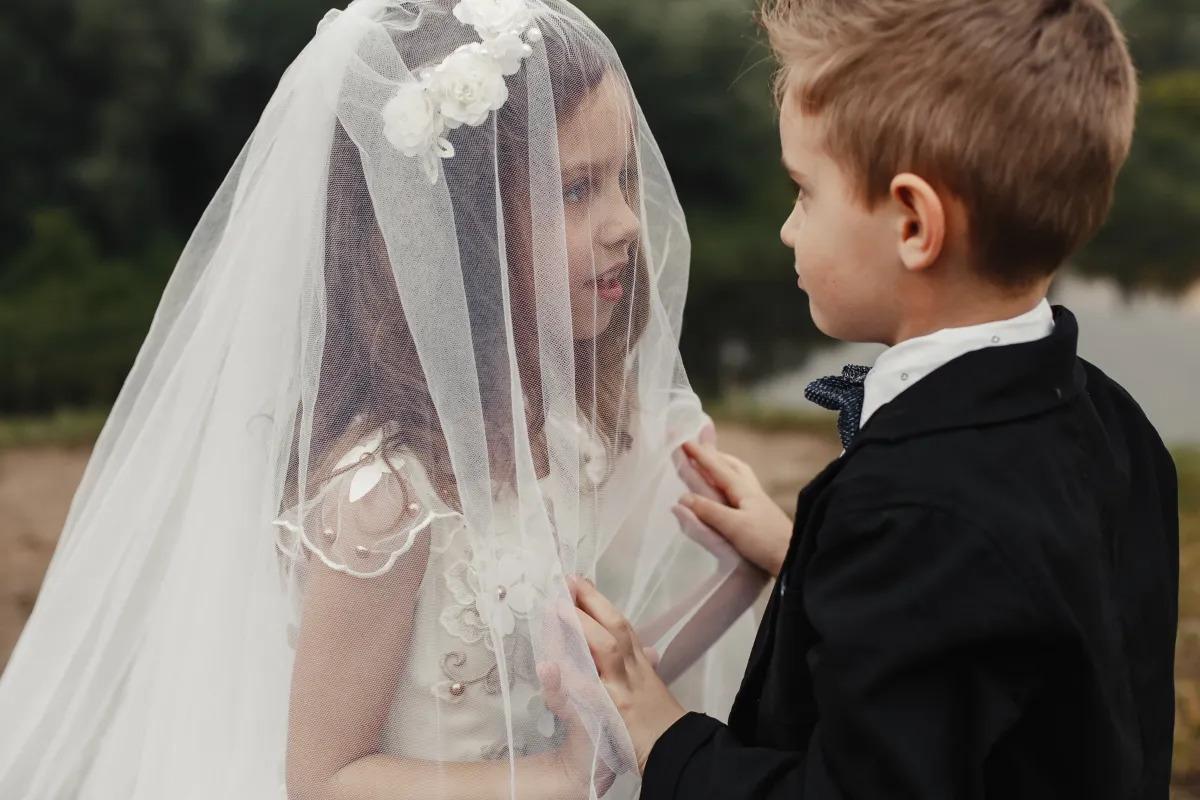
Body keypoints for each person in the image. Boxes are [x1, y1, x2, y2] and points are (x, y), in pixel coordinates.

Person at [0, 2, 765, 797]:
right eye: (576, 188)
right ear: (464, 230)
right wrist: (558, 777)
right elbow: (325, 775)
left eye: (625, 178)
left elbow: (594, 694)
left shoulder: (558, 433)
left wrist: (747, 573)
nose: (627, 223)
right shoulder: (387, 498)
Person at [569, 1, 1180, 797]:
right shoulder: (1113, 420)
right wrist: (803, 561)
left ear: (914, 224)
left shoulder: (918, 513)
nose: (788, 229)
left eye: (804, 192)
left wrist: (661, 729)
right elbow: (1010, 638)